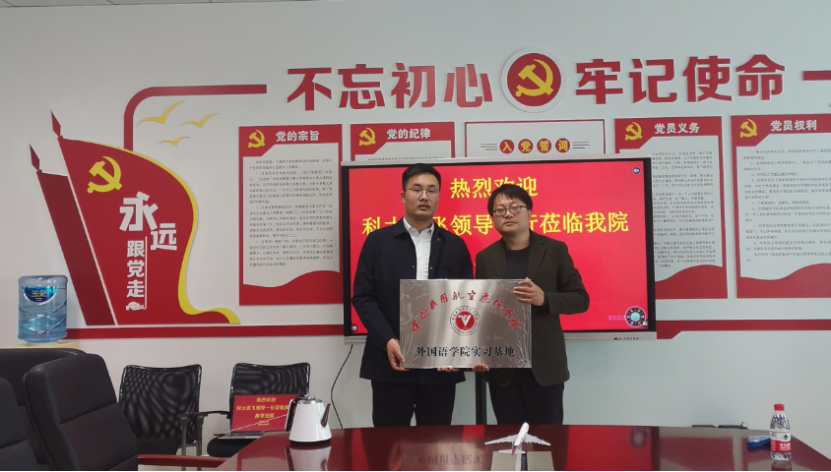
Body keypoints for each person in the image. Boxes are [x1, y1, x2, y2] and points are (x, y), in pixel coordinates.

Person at [353, 163, 473, 427]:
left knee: (438, 444)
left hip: (440, 366)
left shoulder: (455, 245)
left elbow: (466, 303)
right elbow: (363, 297)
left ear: (439, 196)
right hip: (391, 362)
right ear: (403, 195)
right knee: (389, 444)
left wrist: (457, 350)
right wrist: (388, 340)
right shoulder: (377, 241)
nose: (424, 196)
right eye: (416, 189)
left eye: (432, 190)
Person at [473, 184, 589, 425]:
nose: (508, 213)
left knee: (548, 442)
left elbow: (581, 299)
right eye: (500, 210)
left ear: (529, 212)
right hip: (503, 371)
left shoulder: (554, 250)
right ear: (492, 218)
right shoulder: (485, 257)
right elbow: (480, 312)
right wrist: (478, 351)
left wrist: (544, 298)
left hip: (545, 367)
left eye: (515, 207)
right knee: (509, 440)